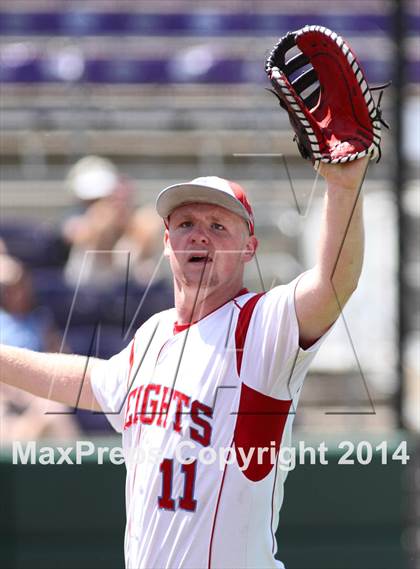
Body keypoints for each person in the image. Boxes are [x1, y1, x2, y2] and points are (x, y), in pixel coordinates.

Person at [0, 157, 368, 568]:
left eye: (218, 226)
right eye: (186, 224)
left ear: (249, 247)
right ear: (166, 241)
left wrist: (344, 187)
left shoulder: (261, 325)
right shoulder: (153, 334)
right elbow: (94, 381)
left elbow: (335, 283)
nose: (199, 236)